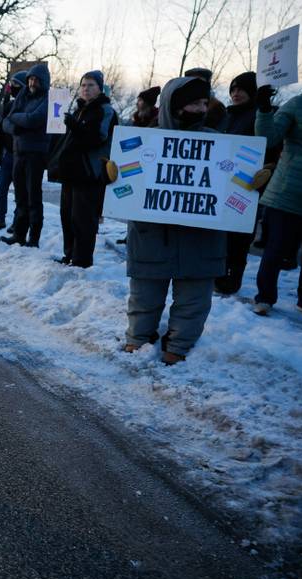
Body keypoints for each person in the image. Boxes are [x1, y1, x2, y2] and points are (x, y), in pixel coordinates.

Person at [123, 76, 224, 364]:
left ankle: (177, 348)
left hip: (200, 238)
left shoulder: (218, 142)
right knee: (145, 294)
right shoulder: (143, 142)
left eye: (205, 102)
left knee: (194, 298)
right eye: (193, 103)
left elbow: (231, 182)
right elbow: (126, 182)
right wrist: (115, 177)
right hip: (152, 234)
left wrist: (247, 185)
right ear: (174, 105)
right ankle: (137, 341)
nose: (201, 108)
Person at [252, 56, 302, 320]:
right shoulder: (298, 104)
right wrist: (263, 109)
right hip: (287, 194)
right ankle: (264, 298)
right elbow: (269, 137)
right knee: (275, 250)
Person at [214, 72, 279, 295]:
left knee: (240, 234)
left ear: (252, 92)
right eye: (232, 89)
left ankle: (233, 276)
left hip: (248, 186)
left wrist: (267, 170)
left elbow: (271, 147)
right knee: (222, 231)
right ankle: (219, 272)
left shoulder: (260, 116)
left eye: (241, 89)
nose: (235, 93)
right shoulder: (227, 116)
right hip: (223, 183)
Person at [56, 70, 117, 266]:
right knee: (67, 216)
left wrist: (75, 126)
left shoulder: (105, 110)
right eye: (83, 85)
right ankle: (70, 254)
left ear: (100, 88)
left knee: (82, 219)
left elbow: (98, 138)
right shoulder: (79, 109)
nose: (86, 89)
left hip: (89, 172)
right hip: (71, 172)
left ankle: (82, 260)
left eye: (91, 85)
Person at [0, 62, 51, 247]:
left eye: (36, 79)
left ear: (43, 81)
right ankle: (19, 234)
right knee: (20, 196)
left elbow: (34, 119)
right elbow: (6, 122)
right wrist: (18, 123)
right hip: (18, 152)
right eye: (30, 79)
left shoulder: (48, 98)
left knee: (33, 197)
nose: (32, 83)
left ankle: (34, 237)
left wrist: (17, 119)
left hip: (36, 154)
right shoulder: (22, 96)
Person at [0, 72, 26, 230]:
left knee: (19, 192)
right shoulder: (9, 105)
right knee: (1, 188)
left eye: (15, 85)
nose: (11, 88)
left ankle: (17, 222)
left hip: (21, 154)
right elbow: (1, 130)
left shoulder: (26, 106)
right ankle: (0, 218)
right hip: (8, 154)